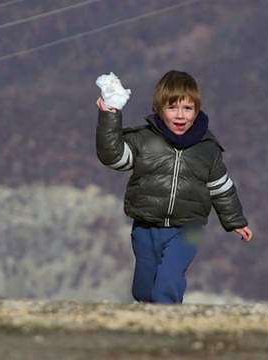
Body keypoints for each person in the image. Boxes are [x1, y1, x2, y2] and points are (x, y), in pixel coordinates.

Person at [95, 70, 253, 304]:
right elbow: (114, 157)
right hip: (146, 226)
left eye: (188, 108)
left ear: (196, 110)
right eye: (172, 108)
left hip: (188, 229)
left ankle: (170, 327)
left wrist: (235, 221)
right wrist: (109, 117)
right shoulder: (144, 139)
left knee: (169, 280)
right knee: (144, 290)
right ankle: (152, 327)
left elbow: (222, 188)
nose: (180, 115)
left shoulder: (207, 149)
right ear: (158, 108)